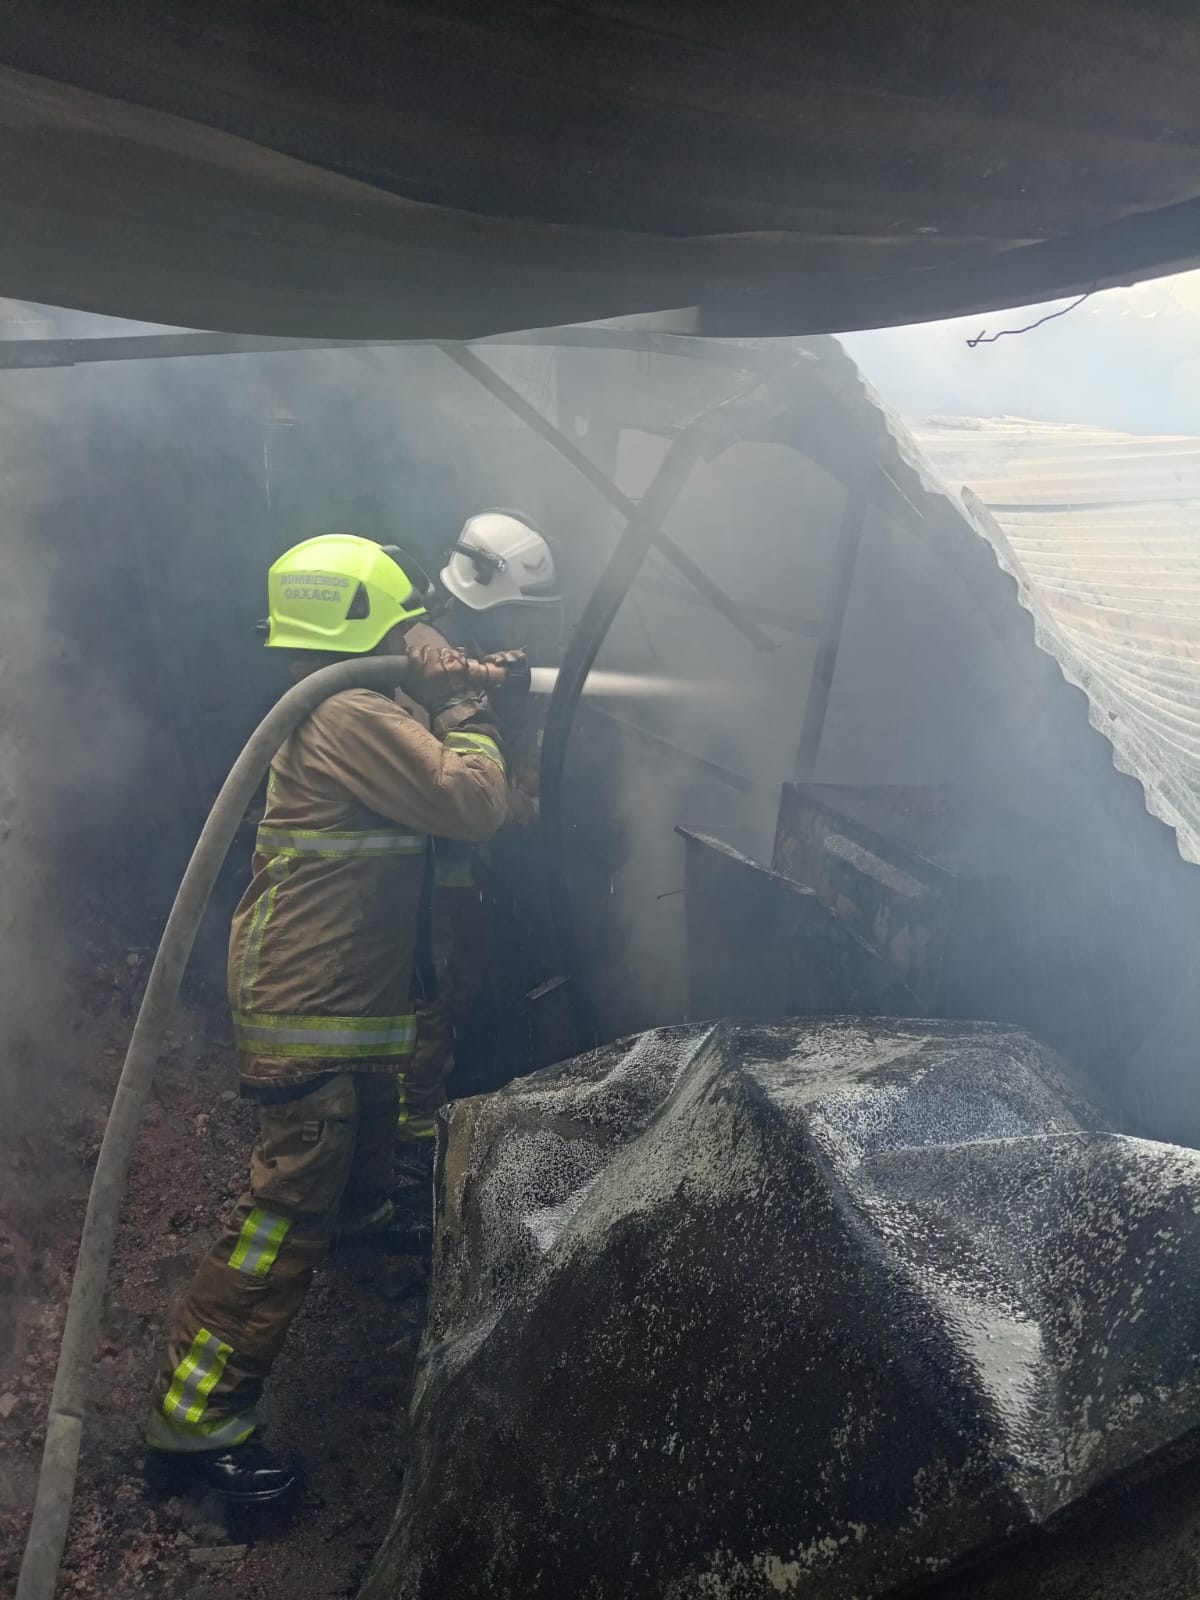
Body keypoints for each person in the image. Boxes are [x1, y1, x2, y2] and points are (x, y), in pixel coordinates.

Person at [145, 533, 516, 1502]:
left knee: (362, 1148)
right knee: (285, 1211)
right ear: (366, 628)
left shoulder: (351, 705)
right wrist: (466, 713)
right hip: (312, 1001)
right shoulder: (351, 713)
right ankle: (194, 1426)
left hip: (342, 993)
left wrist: (443, 683)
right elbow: (472, 803)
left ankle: (366, 1237)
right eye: (408, 622)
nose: (420, 636)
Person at [398, 512, 558, 1192]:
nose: (523, 632)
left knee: (456, 991)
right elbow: (459, 782)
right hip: (422, 866)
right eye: (513, 614)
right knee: (425, 1002)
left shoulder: (488, 659)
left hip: (467, 865)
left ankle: (435, 1126)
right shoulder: (421, 653)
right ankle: (408, 1159)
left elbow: (524, 756)